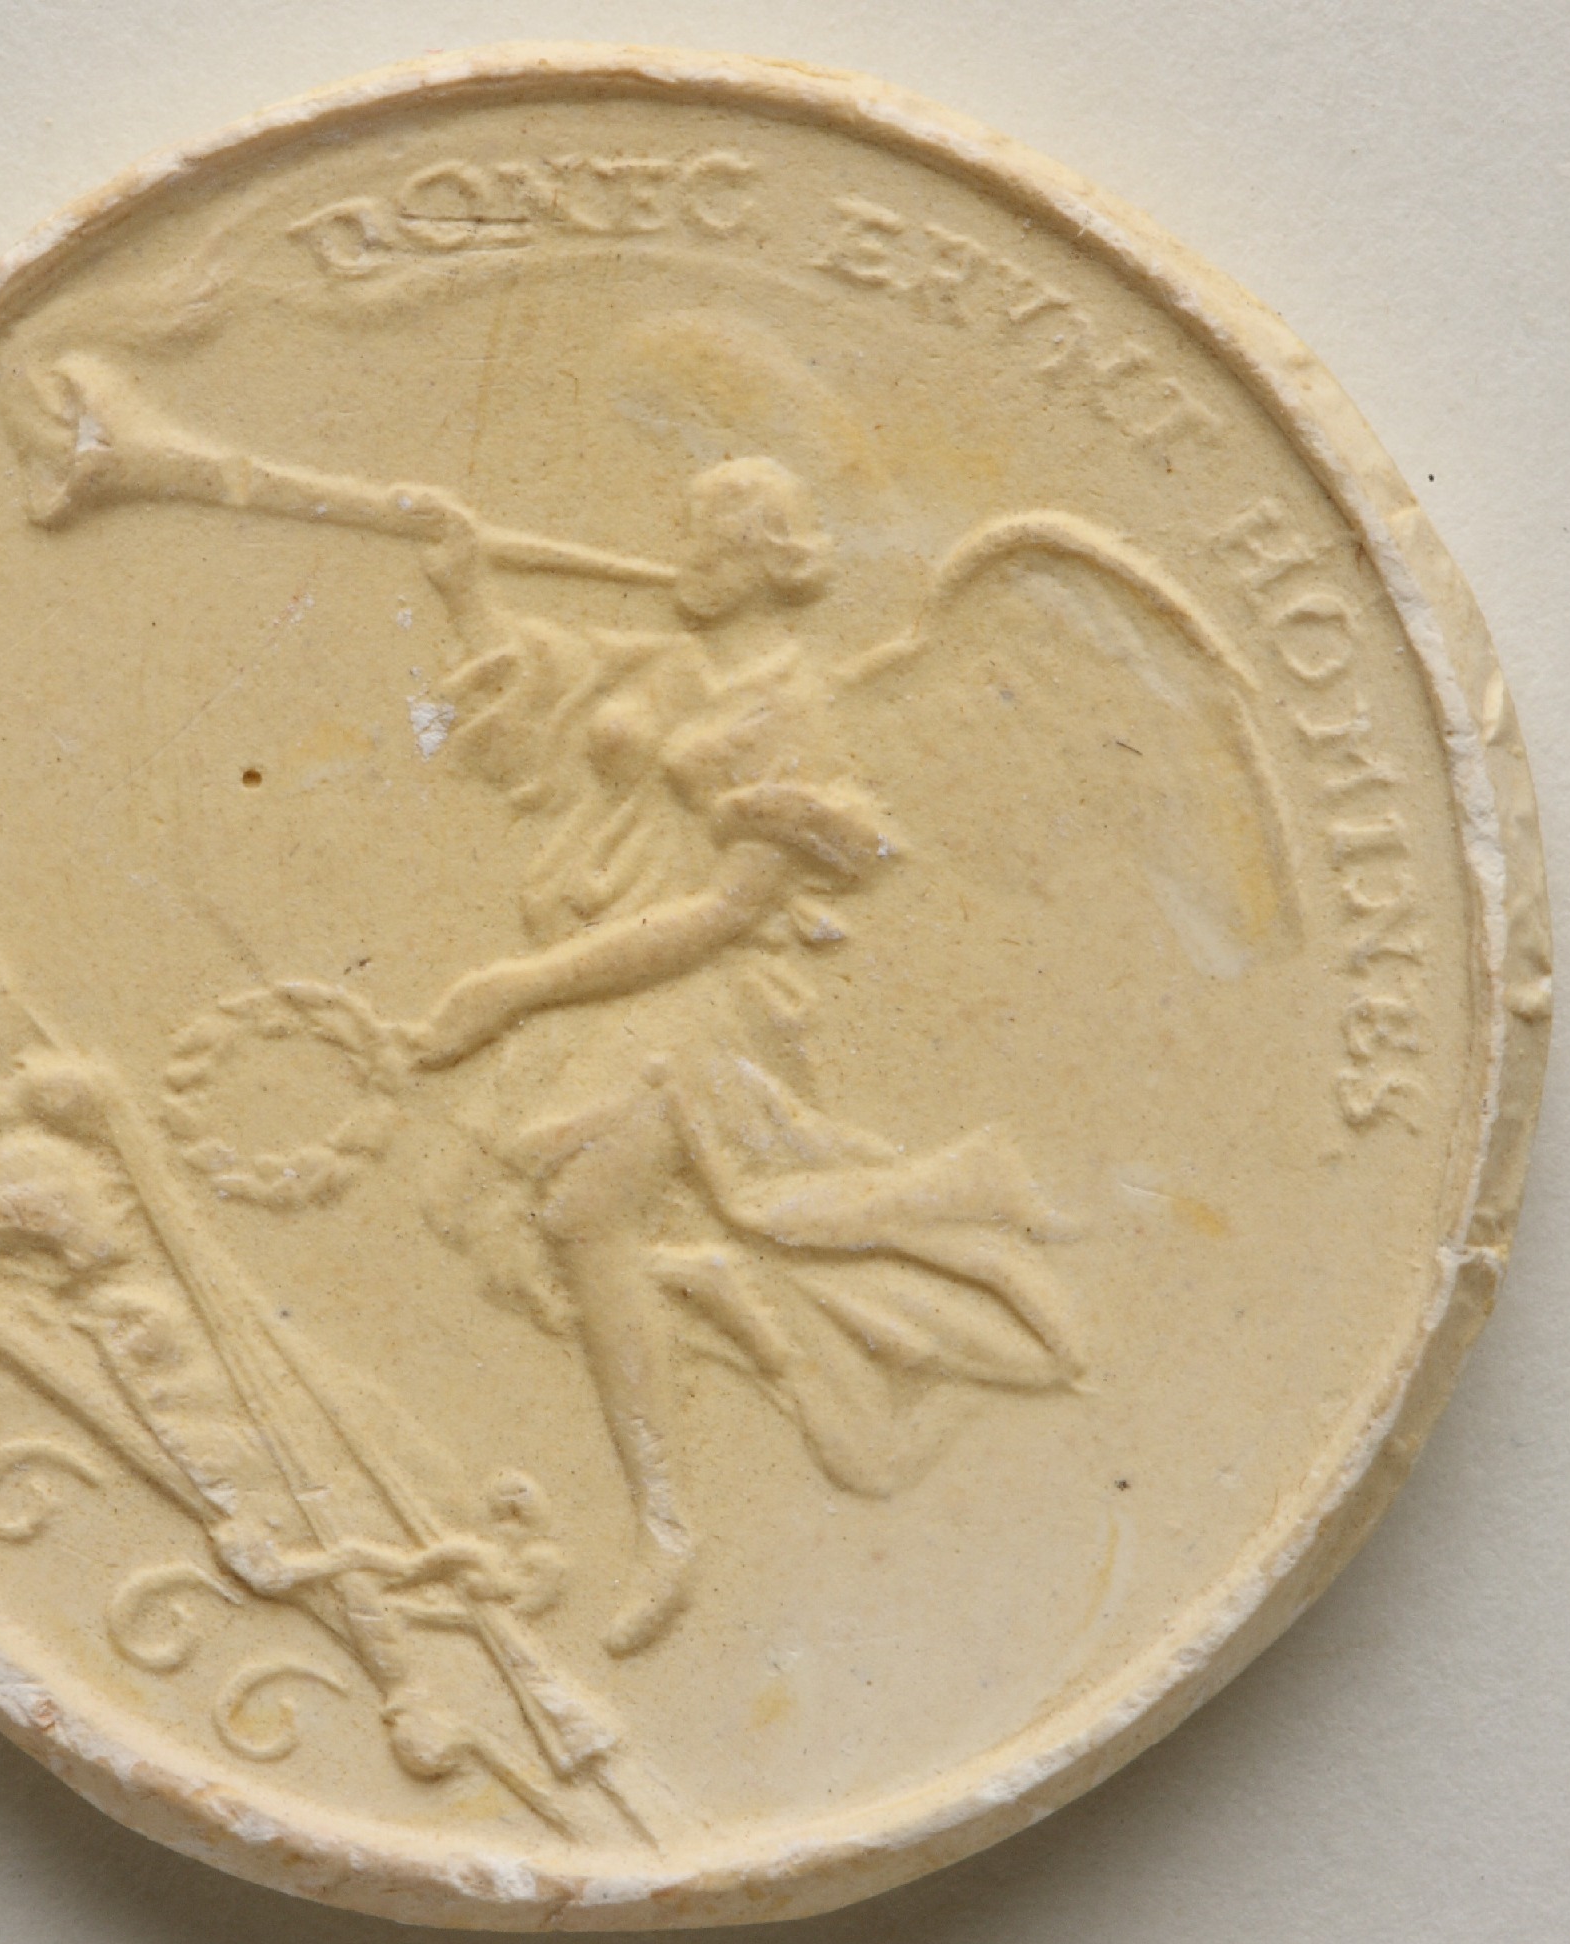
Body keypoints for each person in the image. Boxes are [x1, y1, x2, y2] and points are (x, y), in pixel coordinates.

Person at [293, 456, 1082, 1658]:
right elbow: (521, 732)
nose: (684, 557)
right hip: (601, 978)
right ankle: (712, 1298)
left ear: (766, 563)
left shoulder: (793, 712)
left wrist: (513, 989)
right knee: (520, 1224)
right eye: (687, 536)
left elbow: (720, 916)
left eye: (708, 541)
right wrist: (464, 591)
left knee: (581, 1211)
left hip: (701, 999)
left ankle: (664, 1527)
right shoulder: (663, 666)